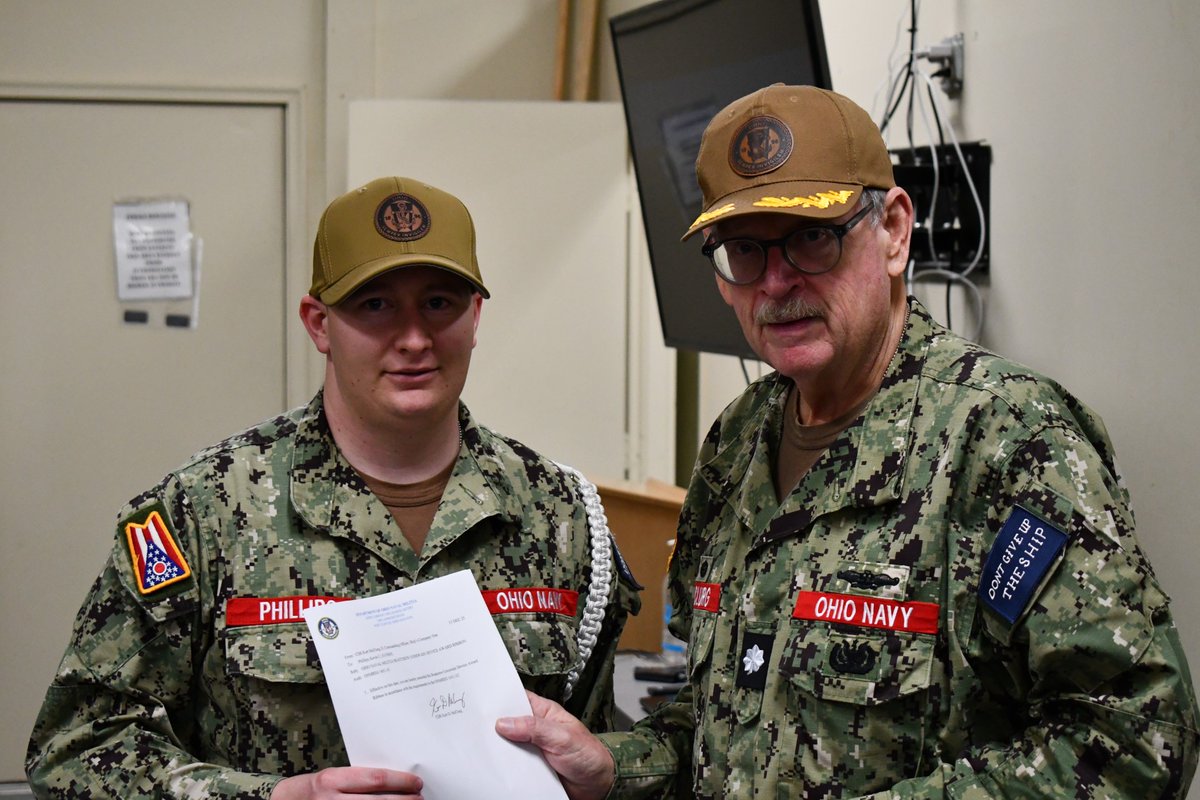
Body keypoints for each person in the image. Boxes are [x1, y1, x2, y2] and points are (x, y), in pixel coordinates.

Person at [496, 84, 1200, 797]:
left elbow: (1135, 741)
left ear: (893, 231)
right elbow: (723, 729)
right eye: (745, 251)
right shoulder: (737, 444)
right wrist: (615, 768)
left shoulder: (1007, 440)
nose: (777, 283)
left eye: (812, 238)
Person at [26, 176, 640, 799]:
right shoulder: (205, 511)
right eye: (375, 306)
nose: (414, 339)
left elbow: (593, 755)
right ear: (319, 324)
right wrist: (277, 798)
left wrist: (612, 772)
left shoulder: (558, 513)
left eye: (439, 303)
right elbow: (75, 751)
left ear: (475, 316)